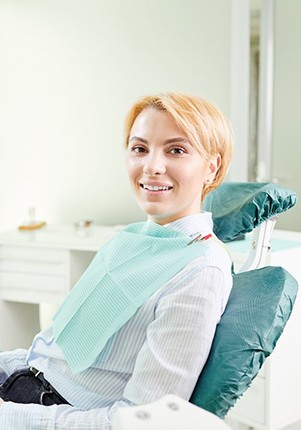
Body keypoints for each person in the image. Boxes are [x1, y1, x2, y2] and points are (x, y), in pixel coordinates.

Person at [0, 92, 233, 429]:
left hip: (50, 413)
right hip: (26, 383)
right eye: (139, 148)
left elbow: (136, 422)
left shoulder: (199, 270)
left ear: (212, 167)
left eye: (176, 150)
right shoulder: (131, 240)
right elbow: (53, 354)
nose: (152, 166)